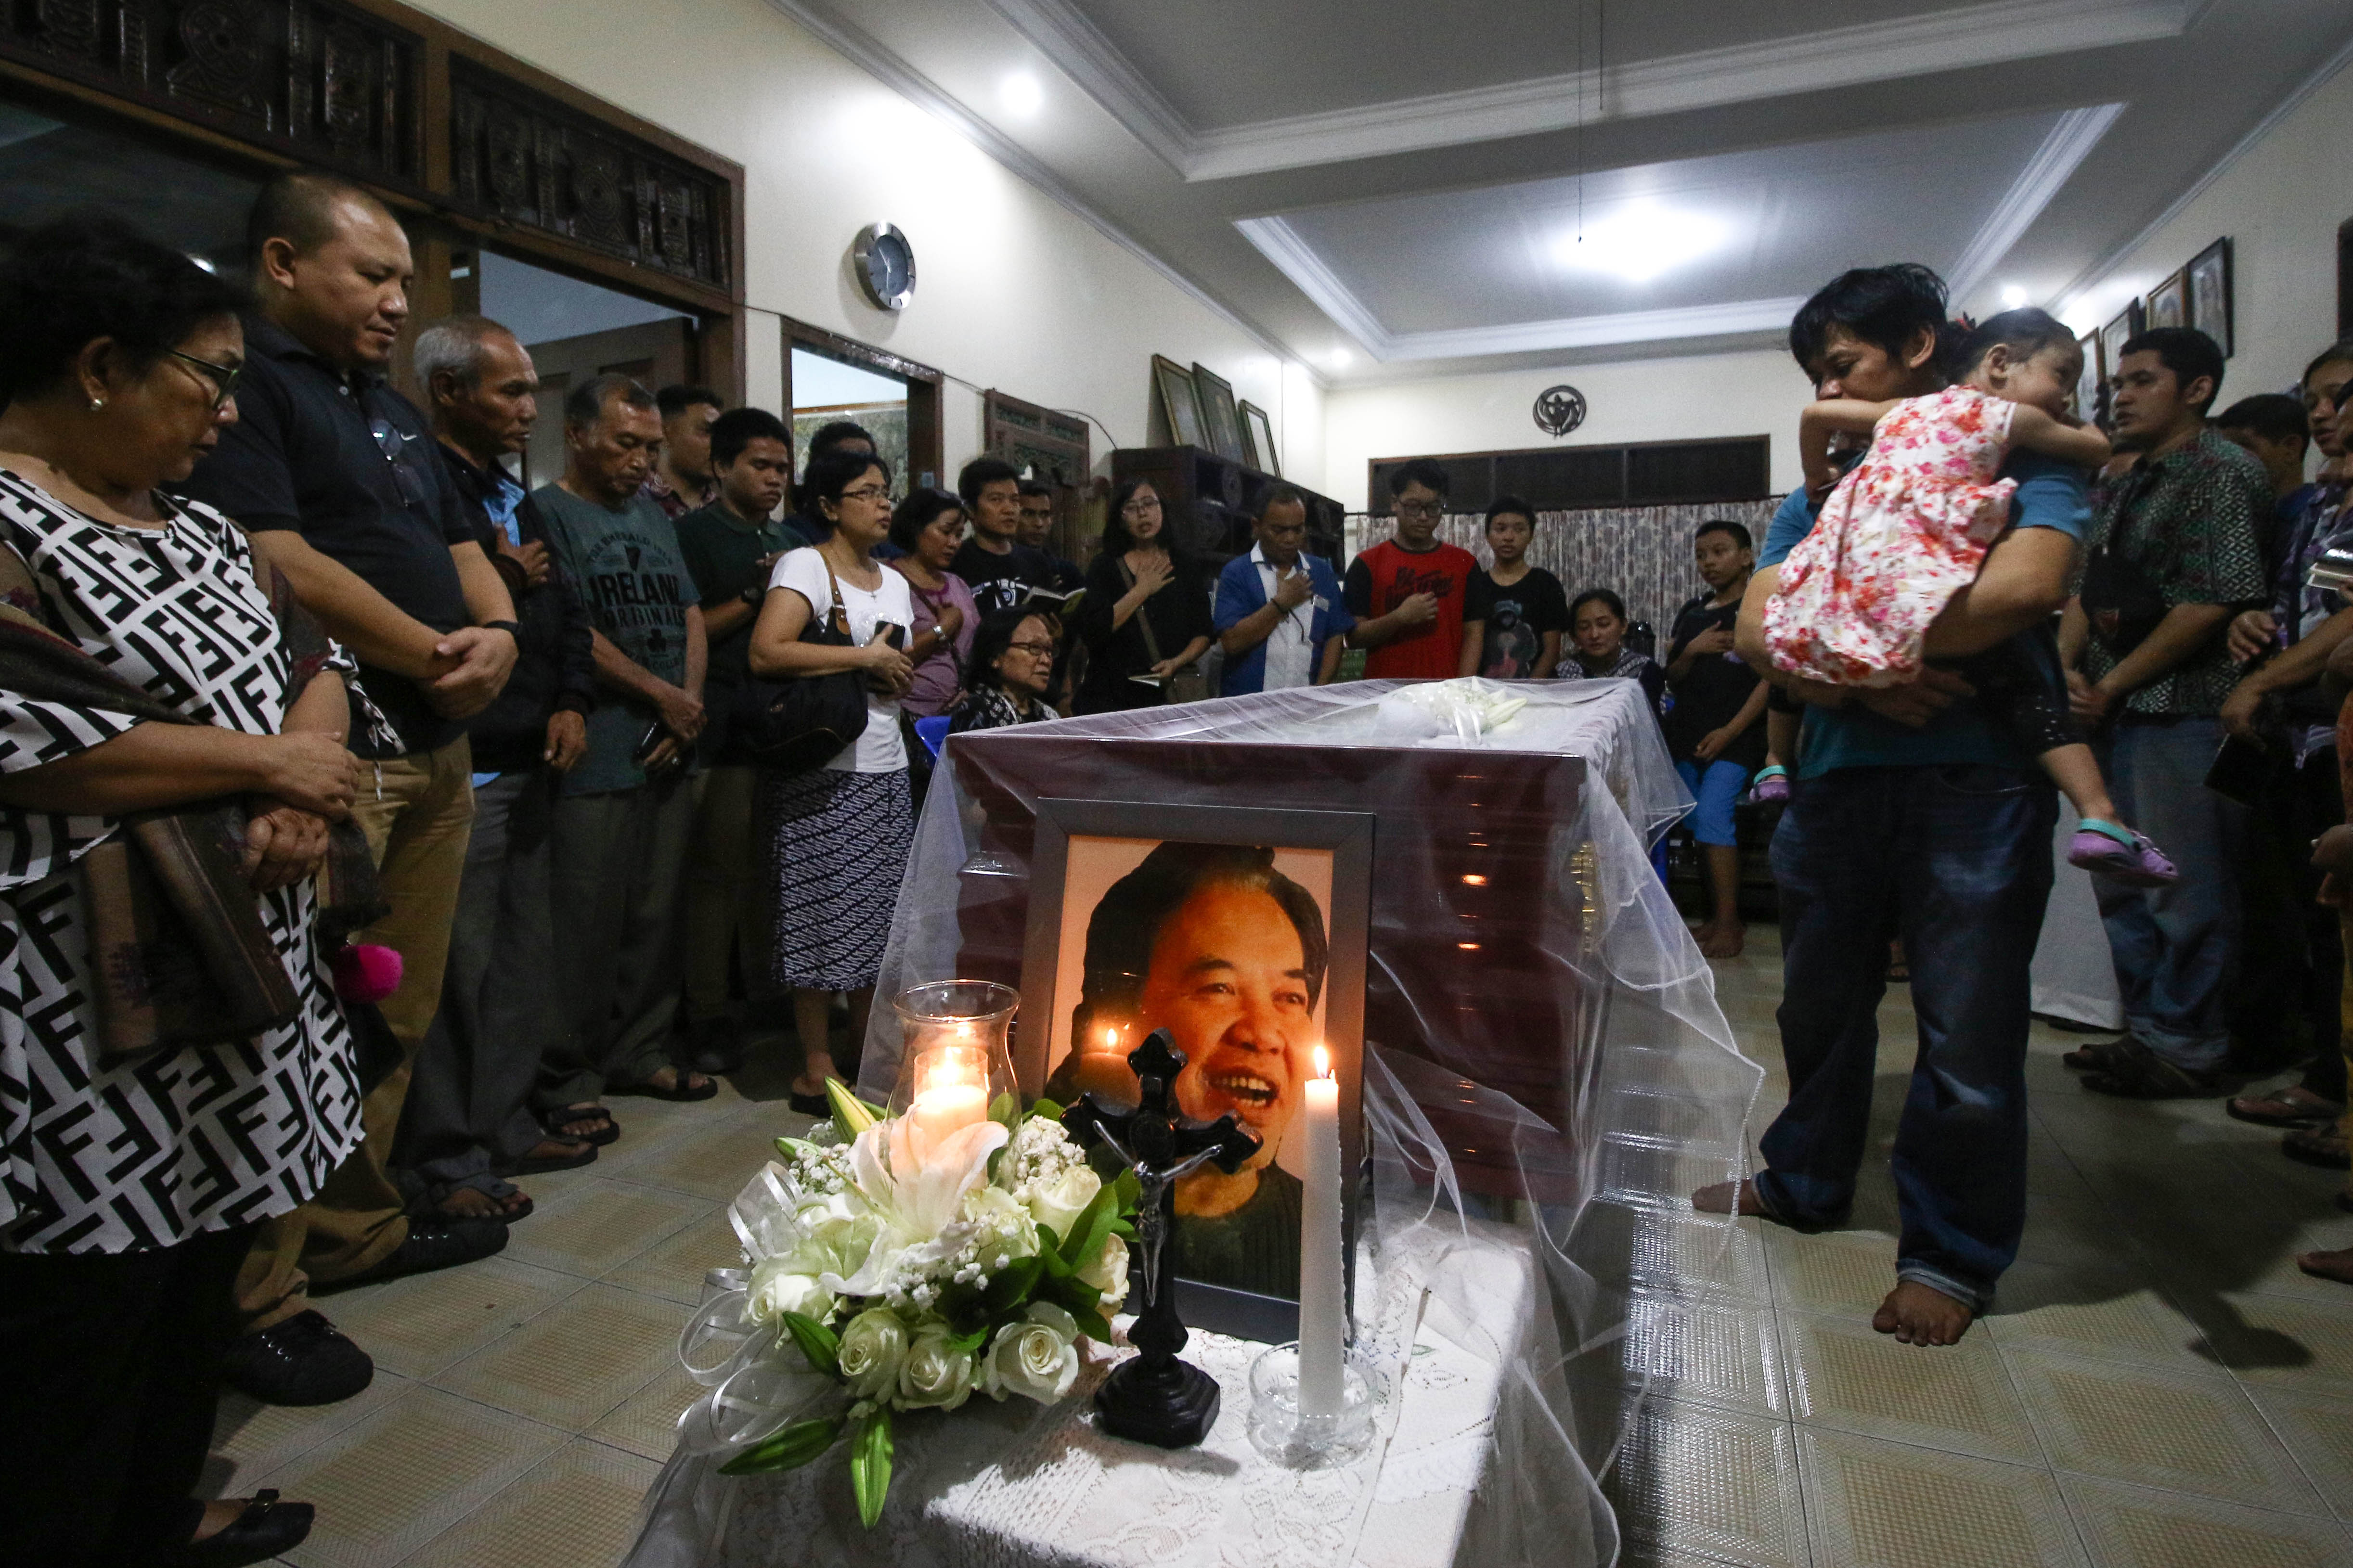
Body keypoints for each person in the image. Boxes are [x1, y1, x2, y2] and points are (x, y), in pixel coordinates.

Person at [0, 216, 347, 1568]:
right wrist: (275, 763)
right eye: (205, 376)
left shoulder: (202, 525)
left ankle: (156, 1521)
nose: (227, 410)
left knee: (182, 1333)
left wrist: (296, 773)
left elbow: (315, 656)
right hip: (77, 1035)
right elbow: (37, 742)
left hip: (236, 1019)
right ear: (98, 366)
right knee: (69, 1366)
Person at [1701, 263, 2094, 1349]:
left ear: (1918, 347)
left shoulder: (2016, 456)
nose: (1830, 388)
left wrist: (1843, 642)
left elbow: (2023, 591)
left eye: (1842, 365)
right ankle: (1804, 1180)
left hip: (1976, 778)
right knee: (1815, 1006)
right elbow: (1751, 631)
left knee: (1966, 1025)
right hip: (1832, 775)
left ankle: (1949, 1253)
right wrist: (1865, 673)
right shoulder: (1821, 489)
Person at [181, 170, 514, 1404]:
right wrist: (429, 649)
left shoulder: (383, 410)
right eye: (371, 275)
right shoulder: (246, 387)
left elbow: (465, 543)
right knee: (309, 1019)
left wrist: (500, 635)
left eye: (402, 282)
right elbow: (277, 555)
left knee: (399, 1011)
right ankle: (254, 1294)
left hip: (437, 738)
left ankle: (345, 1233)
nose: (394, 301)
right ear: (282, 261)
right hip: (336, 737)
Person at [1765, 308, 2173, 885]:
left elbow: (1813, 416)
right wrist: (2080, 427)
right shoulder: (2013, 423)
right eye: (2062, 377)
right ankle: (2100, 817)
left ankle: (1773, 764)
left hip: (1853, 565)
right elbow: (2095, 451)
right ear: (2000, 364)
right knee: (2027, 692)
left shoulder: (1899, 415)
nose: (2063, 395)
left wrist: (1815, 479)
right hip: (1916, 574)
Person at [397, 316, 599, 1222]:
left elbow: (567, 610)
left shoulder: (510, 491)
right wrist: (504, 583)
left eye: (530, 388)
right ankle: (445, 1156)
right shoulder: (416, 481)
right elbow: (423, 612)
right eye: (510, 390)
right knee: (454, 969)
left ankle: (506, 1122)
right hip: (466, 759)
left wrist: (571, 699)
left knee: (523, 959)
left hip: (534, 747)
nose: (529, 406)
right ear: (448, 392)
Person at [2059, 327, 2271, 1099]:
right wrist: (2063, 669)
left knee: (2187, 884)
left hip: (2183, 705)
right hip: (2111, 705)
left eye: (2143, 379)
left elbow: (2215, 600)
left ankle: (2190, 1041)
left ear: (2198, 389)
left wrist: (2109, 687)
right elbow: (2086, 586)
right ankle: (2146, 1030)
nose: (2122, 394)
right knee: (2122, 877)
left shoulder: (2220, 471)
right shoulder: (2124, 480)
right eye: (2120, 381)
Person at [532, 375, 717, 1139]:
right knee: (583, 919)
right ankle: (569, 1074)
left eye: (649, 446)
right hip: (600, 746)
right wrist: (658, 694)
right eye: (625, 444)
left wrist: (689, 702)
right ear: (576, 435)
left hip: (672, 740)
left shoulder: (652, 513)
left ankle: (639, 1050)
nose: (642, 461)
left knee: (655, 912)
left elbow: (689, 610)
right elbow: (571, 625)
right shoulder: (548, 511)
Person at [1053, 842, 1327, 1298]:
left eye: (1291, 998)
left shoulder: (1320, 1232)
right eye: (1218, 988)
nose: (1264, 1034)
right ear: (1121, 1010)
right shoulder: (1054, 1208)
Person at [746, 448, 917, 1116]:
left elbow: (888, 660)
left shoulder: (894, 579)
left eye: (886, 491)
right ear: (828, 506)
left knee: (878, 915)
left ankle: (860, 1044)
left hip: (886, 758)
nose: (884, 503)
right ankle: (815, 1062)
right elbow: (769, 650)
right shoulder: (804, 564)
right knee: (819, 911)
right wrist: (863, 657)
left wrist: (892, 669)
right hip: (824, 763)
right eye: (867, 492)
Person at [2218, 345, 2353, 1138]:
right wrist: (2249, 628)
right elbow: (2299, 599)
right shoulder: (2310, 506)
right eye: (2313, 398)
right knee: (2311, 913)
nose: (2321, 412)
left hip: (2326, 722)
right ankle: (2327, 1074)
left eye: (2338, 396)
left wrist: (2261, 682)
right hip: (2302, 734)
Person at [672, 407, 800, 1076]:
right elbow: (693, 625)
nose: (775, 478)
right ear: (721, 467)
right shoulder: (695, 534)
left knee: (767, 873)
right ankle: (706, 1014)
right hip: (720, 725)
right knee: (717, 877)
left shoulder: (792, 537)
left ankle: (764, 995)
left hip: (780, 727)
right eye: (760, 465)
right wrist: (762, 589)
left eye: (782, 467)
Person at [1664, 521, 1769, 958]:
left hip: (1737, 738)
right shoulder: (1693, 612)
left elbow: (1769, 679)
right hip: (1690, 737)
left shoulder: (1758, 608)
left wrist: (1731, 732)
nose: (1709, 562)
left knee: (1712, 818)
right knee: (1694, 825)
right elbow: (1673, 676)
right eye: (1702, 554)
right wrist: (1692, 649)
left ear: (1746, 556)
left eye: (1720, 552)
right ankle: (1714, 917)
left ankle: (1729, 924)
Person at [1076, 477, 1214, 712]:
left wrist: (1176, 663)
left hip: (1168, 695)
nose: (1142, 514)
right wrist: (1142, 590)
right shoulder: (1105, 566)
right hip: (1111, 697)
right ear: (1121, 518)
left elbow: (1204, 632)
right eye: (1132, 508)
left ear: (1162, 509)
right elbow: (1093, 630)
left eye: (1149, 504)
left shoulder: (1185, 565)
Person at [1215, 485, 1354, 694]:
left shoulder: (1321, 573)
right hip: (1249, 705)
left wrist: (1321, 690)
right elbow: (1232, 642)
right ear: (1257, 525)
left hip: (1307, 704)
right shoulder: (1237, 573)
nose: (1290, 539)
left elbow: (1335, 635)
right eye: (1279, 530)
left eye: (1298, 529)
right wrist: (1281, 603)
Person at [1345, 458, 1476, 679]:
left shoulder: (1465, 563)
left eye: (1434, 508)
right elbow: (1353, 637)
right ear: (1395, 503)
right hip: (1385, 695)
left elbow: (1474, 632)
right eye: (1414, 507)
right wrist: (1399, 618)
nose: (1423, 517)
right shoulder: (1366, 564)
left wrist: (1463, 688)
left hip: (1446, 694)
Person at [886, 488, 978, 720]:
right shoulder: (888, 580)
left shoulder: (958, 585)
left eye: (959, 535)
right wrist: (943, 629)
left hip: (959, 712)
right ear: (916, 527)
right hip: (907, 714)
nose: (954, 543)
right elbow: (887, 658)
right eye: (946, 532)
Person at [1457, 495, 1566, 679]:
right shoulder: (1477, 584)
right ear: (1487, 535)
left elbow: (1552, 651)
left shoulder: (1546, 583)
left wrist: (1529, 691)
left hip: (1536, 692)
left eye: (1519, 529)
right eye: (1500, 529)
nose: (1508, 537)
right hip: (1486, 693)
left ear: (1531, 535)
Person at [951, 456, 1058, 616]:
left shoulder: (1037, 563)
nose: (1009, 509)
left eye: (1014, 500)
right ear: (971, 510)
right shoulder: (955, 562)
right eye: (996, 500)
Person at [1558, 589, 1667, 717]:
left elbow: (1653, 727)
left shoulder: (1645, 670)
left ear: (1623, 626)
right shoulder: (1562, 674)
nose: (1594, 635)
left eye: (1603, 625)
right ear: (1574, 636)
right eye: (1584, 627)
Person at [950, 609, 1060, 732]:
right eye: (1035, 647)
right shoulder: (977, 711)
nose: (1046, 660)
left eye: (1049, 650)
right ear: (996, 657)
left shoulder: (1049, 716)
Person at [642, 384, 722, 520]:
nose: (719, 444)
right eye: (706, 432)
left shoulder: (725, 513)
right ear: (664, 434)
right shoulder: (634, 503)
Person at [1017, 476, 1084, 592]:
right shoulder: (1002, 568)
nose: (1039, 524)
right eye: (1028, 514)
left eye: (1044, 515)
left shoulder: (1067, 572)